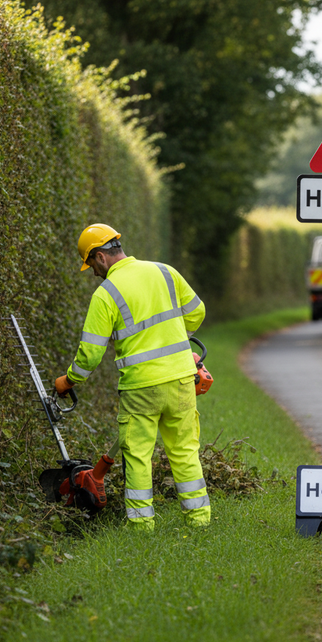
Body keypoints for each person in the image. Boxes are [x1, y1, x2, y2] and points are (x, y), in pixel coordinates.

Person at [55, 223, 210, 529]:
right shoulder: (165, 272)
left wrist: (69, 380)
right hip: (180, 378)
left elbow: (91, 353)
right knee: (184, 451)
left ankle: (142, 527)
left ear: (100, 257)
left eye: (92, 266)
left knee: (138, 455)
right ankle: (199, 521)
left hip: (141, 386)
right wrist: (176, 340)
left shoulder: (106, 293)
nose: (95, 274)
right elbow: (197, 312)